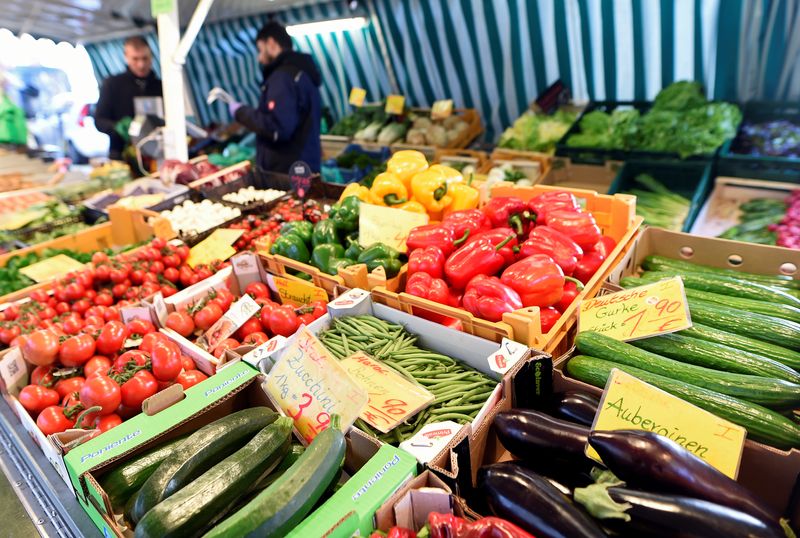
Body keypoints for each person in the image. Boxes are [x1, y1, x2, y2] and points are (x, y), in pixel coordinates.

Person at [230, 21, 322, 176]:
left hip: (286, 173)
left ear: (271, 43)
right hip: (303, 166)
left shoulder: (283, 78)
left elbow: (277, 128)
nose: (259, 58)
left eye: (260, 50)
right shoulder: (302, 73)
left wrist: (241, 112)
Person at [94, 36, 162, 160]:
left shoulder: (161, 86)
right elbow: (99, 120)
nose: (141, 64)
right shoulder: (112, 84)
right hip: (122, 155)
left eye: (145, 58)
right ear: (126, 58)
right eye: (135, 59)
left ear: (151, 57)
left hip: (156, 154)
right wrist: (116, 127)